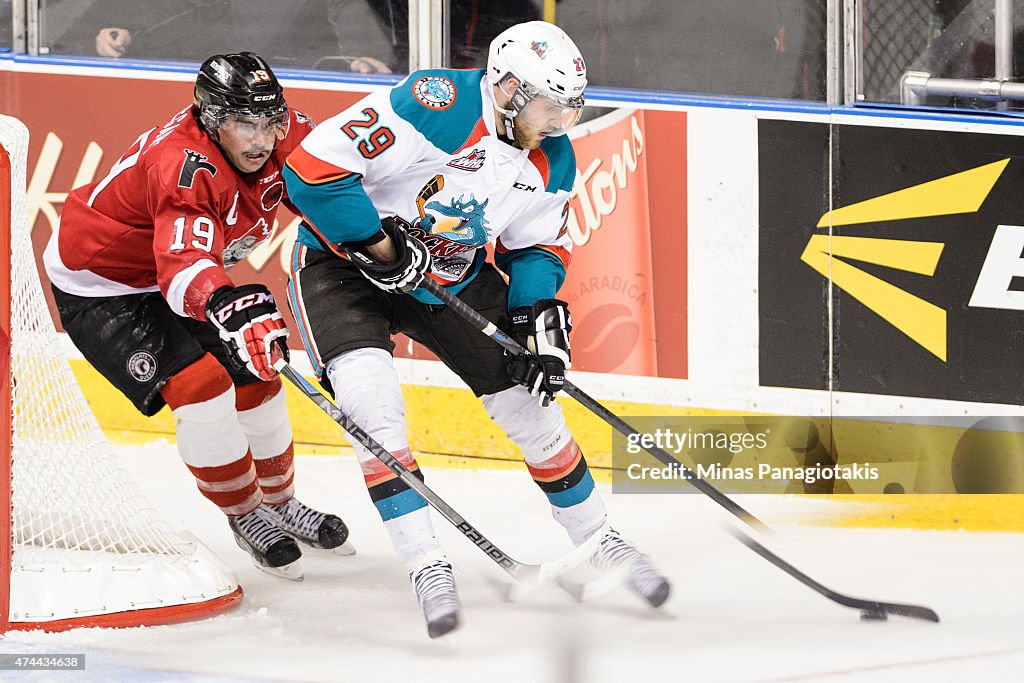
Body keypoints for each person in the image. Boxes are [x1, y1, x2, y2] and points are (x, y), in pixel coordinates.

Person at [282, 21, 670, 637]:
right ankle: (426, 565)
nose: (558, 123)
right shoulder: (435, 105)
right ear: (509, 87)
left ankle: (601, 539)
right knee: (371, 408)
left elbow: (536, 247)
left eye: (569, 109)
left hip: (449, 276)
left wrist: (536, 317)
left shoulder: (553, 157)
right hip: (343, 267)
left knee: (532, 403)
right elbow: (309, 171)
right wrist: (380, 244)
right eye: (549, 106)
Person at [43, 52, 351, 580]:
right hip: (102, 283)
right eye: (242, 124)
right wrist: (223, 302)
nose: (260, 140)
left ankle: (279, 504)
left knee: (260, 374)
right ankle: (245, 513)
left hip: (180, 269)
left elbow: (328, 194)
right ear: (211, 119)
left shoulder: (289, 133)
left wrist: (378, 240)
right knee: (202, 389)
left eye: (267, 122)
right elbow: (182, 267)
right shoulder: (183, 165)